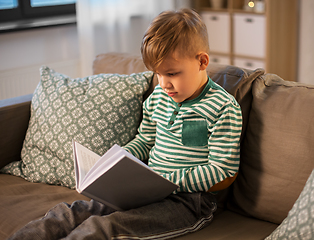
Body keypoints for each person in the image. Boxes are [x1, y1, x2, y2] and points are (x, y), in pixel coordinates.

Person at [9, 8, 242, 240]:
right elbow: (145, 141)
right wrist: (118, 158)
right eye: (158, 75)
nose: (163, 84)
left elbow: (224, 173)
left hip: (189, 201)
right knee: (69, 214)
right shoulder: (158, 98)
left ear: (202, 61)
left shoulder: (222, 107)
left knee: (103, 229)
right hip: (145, 190)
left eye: (171, 73)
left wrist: (168, 183)